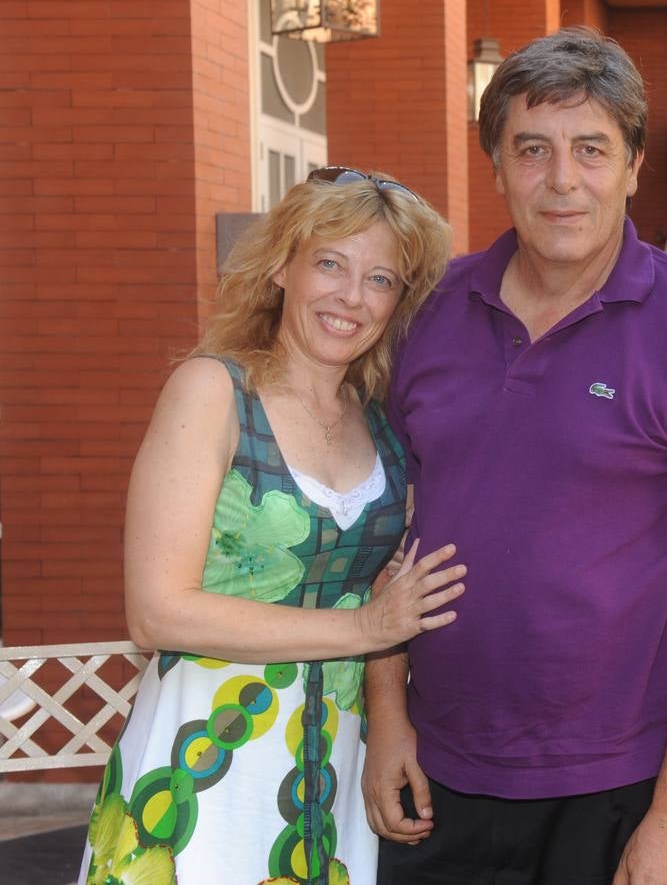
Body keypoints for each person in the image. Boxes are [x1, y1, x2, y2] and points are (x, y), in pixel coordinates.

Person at [363, 28, 667, 885]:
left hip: (619, 786)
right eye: (533, 149)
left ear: (632, 166)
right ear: (497, 165)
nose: (562, 180)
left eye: (591, 149)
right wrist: (388, 718)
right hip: (438, 777)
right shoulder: (425, 313)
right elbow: (384, 532)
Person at [80, 168, 465, 885]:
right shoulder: (213, 390)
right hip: (202, 762)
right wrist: (366, 629)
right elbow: (156, 610)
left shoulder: (383, 421)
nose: (351, 297)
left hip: (329, 773)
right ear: (283, 266)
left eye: (380, 280)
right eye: (329, 264)